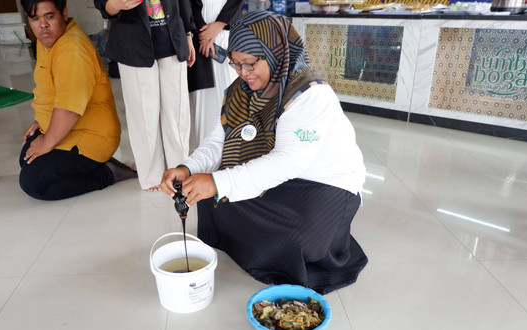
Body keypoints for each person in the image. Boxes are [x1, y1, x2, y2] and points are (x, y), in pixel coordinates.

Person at [160, 11, 368, 294]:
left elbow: (288, 162)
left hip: (326, 184)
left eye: (250, 64)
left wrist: (219, 183)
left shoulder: (310, 94)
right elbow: (218, 141)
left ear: (274, 52)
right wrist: (187, 168)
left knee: (300, 238)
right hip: (281, 174)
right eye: (235, 64)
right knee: (208, 190)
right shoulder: (241, 90)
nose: (243, 74)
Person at [19, 0, 135, 201]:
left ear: (63, 13)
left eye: (49, 16)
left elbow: (69, 110)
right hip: (70, 128)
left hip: (92, 136)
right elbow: (50, 91)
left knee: (33, 183)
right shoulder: (48, 40)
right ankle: (85, 163)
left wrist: (47, 142)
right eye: (35, 19)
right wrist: (41, 121)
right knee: (27, 159)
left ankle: (107, 173)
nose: (43, 25)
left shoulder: (72, 50)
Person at [95, 0, 196, 191]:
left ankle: (179, 169)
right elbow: (103, 4)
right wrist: (115, 4)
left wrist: (188, 35)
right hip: (133, 44)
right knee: (143, 114)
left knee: (177, 113)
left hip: (173, 40)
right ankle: (152, 176)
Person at [187, 0, 241, 153]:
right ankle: (201, 155)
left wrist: (221, 23)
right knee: (201, 97)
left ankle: (229, 153)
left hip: (226, 32)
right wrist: (203, 33)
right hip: (198, 34)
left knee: (229, 94)